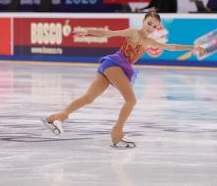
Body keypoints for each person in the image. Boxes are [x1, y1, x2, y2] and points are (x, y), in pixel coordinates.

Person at [44, 12, 204, 148]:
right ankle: (117, 133)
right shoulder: (133, 33)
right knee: (131, 100)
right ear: (143, 21)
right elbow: (110, 33)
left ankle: (57, 117)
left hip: (113, 66)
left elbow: (172, 47)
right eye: (149, 23)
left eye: (155, 26)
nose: (151, 28)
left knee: (89, 98)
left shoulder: (149, 42)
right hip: (114, 63)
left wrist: (192, 48)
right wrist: (88, 31)